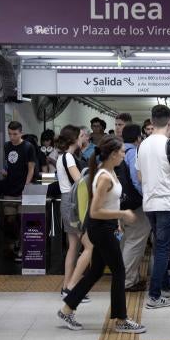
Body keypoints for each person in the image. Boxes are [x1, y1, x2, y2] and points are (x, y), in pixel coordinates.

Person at [57, 135, 146, 334]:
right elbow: (94, 211)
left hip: (107, 227)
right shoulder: (104, 176)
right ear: (113, 154)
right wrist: (122, 214)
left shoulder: (109, 172)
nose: (125, 154)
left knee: (96, 270)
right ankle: (121, 319)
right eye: (122, 151)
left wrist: (117, 222)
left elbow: (108, 204)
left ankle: (67, 307)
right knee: (119, 271)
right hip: (101, 229)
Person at [136, 105, 170, 309]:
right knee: (163, 250)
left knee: (159, 246)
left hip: (149, 204)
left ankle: (165, 286)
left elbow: (139, 177)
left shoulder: (143, 145)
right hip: (167, 203)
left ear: (151, 120)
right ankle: (154, 296)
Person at [56, 125, 93, 300]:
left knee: (73, 247)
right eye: (80, 136)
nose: (82, 138)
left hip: (66, 202)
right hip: (73, 204)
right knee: (89, 246)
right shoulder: (69, 157)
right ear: (73, 139)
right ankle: (72, 288)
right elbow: (80, 182)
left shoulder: (62, 157)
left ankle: (66, 287)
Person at [120, 124, 151, 292]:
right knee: (135, 240)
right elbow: (136, 179)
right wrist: (146, 197)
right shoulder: (133, 153)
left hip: (121, 203)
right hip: (135, 204)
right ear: (138, 138)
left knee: (127, 239)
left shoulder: (118, 151)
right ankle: (127, 281)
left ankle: (128, 276)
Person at [0, 121, 35, 262]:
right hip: (10, 187)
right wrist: (6, 172)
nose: (12, 137)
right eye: (10, 134)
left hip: (23, 188)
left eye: (15, 134)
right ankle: (15, 240)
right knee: (10, 219)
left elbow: (31, 168)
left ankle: (22, 247)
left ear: (21, 133)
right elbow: (9, 164)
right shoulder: (7, 146)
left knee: (22, 219)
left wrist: (26, 186)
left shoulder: (28, 147)